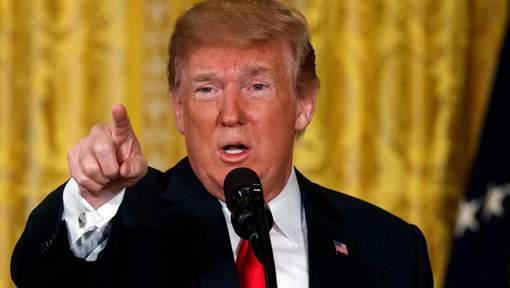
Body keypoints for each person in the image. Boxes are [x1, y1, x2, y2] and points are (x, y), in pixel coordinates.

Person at [11, 0, 433, 287]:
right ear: (178, 109)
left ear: (304, 104)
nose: (230, 113)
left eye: (257, 86)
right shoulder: (131, 223)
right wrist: (93, 197)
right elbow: (39, 274)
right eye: (207, 89)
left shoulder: (389, 250)